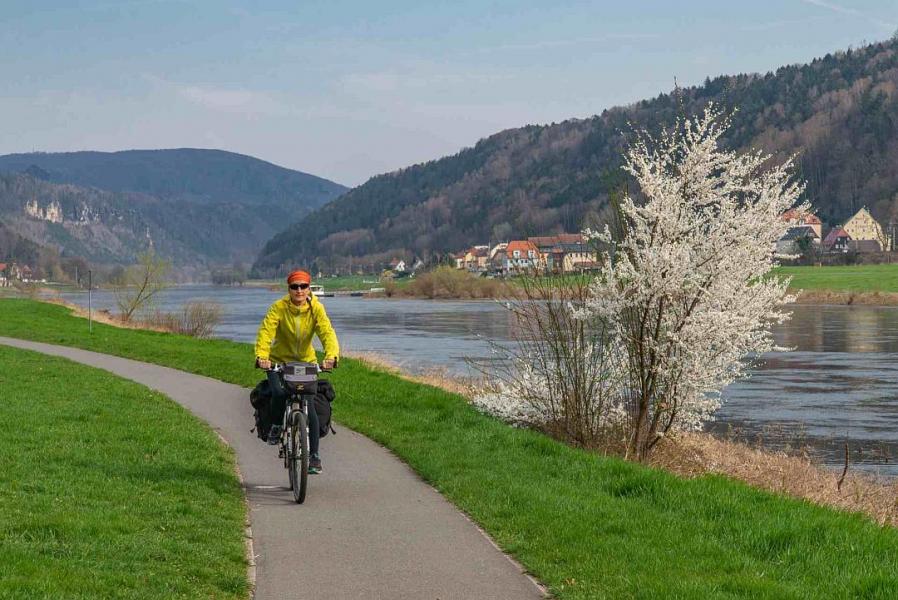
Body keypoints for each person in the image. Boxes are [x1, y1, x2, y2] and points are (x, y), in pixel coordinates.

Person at [255, 269, 339, 474]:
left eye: (303, 286)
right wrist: (262, 357)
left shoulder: (316, 309)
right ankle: (276, 425)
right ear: (289, 289)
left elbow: (326, 332)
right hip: (278, 361)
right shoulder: (279, 308)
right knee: (279, 392)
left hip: (305, 362)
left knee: (309, 403)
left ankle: (314, 456)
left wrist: (331, 356)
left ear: (309, 288)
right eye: (295, 286)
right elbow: (266, 332)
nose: (299, 290)